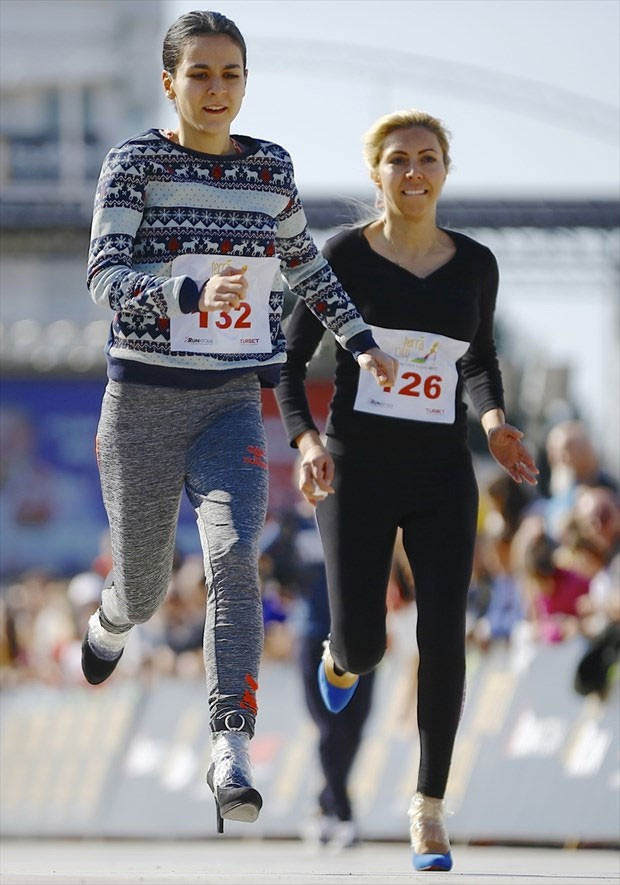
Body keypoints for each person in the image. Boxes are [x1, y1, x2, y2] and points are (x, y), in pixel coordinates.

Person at [82, 9, 396, 835]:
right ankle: (113, 613)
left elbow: (304, 261)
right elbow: (104, 273)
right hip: (143, 401)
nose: (216, 90)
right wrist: (187, 291)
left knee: (234, 556)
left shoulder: (269, 168)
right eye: (200, 75)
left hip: (229, 401)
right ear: (169, 83)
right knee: (149, 588)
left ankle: (231, 745)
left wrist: (361, 344)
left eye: (231, 75)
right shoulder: (134, 162)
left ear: (246, 83)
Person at [275, 108, 539, 871]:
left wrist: (492, 420)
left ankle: (427, 808)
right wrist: (307, 439)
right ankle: (342, 655)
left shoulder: (475, 264)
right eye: (398, 160)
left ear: (446, 170)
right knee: (366, 643)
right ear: (376, 172)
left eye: (427, 158)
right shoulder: (343, 259)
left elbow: (478, 358)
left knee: (443, 633)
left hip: (440, 472)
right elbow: (290, 367)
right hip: (356, 470)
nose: (414, 172)